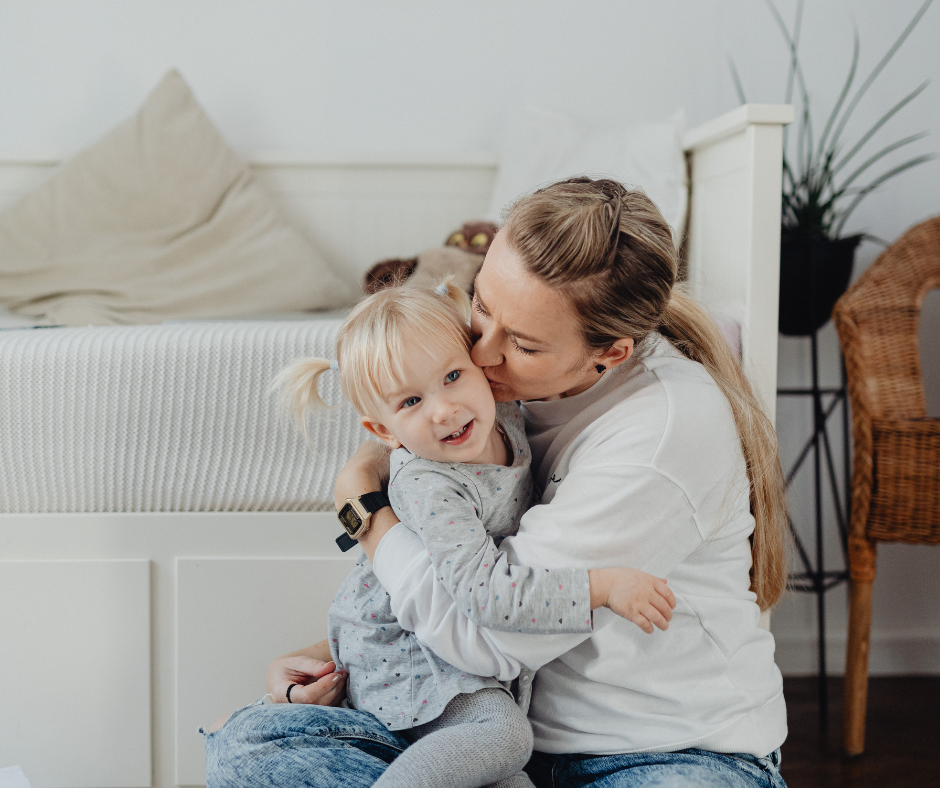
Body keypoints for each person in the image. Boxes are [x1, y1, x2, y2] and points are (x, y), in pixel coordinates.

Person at [207, 177, 789, 788]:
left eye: (523, 345)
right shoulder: (496, 394)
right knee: (247, 747)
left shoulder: (660, 437)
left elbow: (481, 631)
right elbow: (442, 534)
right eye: (482, 305)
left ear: (612, 354)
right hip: (500, 737)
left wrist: (364, 510)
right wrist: (330, 655)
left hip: (660, 752)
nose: (482, 355)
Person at [204, 276, 676, 788]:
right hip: (409, 659)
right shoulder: (432, 485)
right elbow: (485, 595)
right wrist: (600, 587)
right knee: (502, 738)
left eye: (452, 376)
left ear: (479, 367)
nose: (444, 409)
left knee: (508, 779)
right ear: (382, 432)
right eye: (410, 402)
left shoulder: (503, 415)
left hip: (445, 652)